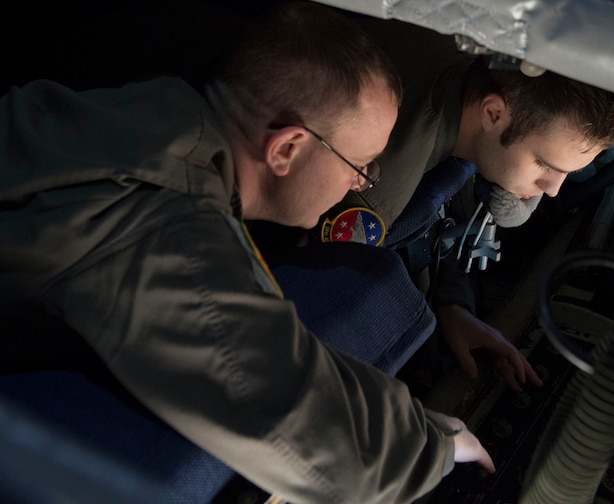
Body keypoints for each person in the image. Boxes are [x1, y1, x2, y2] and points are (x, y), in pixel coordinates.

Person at [0, 2, 495, 503]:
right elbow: (285, 412)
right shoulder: (162, 222)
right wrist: (436, 445)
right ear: (285, 149)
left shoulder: (156, 110)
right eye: (360, 164)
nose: (361, 183)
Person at [255, 16, 614, 391]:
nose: (552, 190)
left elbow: (453, 192)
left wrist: (451, 303)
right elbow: (306, 292)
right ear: (493, 113)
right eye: (545, 165)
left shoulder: (463, 53)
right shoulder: (376, 190)